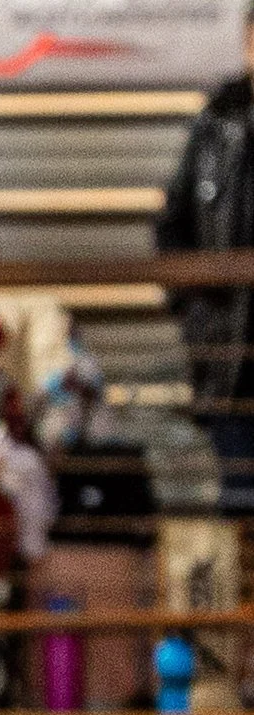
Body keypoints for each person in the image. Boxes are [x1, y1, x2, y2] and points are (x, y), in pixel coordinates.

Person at [156, 6, 254, 514]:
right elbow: (171, 226)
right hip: (229, 359)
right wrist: (194, 310)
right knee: (240, 500)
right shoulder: (215, 124)